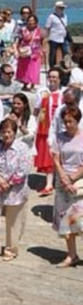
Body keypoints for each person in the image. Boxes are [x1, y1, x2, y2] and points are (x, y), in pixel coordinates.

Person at [0, 118, 30, 261]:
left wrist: (8, 183)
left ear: (14, 133)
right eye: (3, 132)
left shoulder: (22, 148)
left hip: (16, 190)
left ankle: (11, 249)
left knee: (13, 223)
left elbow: (23, 170)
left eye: (9, 132)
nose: (6, 135)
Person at [51, 105, 83, 267]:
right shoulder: (59, 137)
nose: (68, 124)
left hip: (79, 181)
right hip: (63, 181)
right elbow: (56, 158)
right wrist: (64, 178)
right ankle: (72, 255)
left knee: (81, 219)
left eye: (71, 121)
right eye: (66, 121)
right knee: (66, 219)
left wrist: (72, 178)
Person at [35, 69, 65, 196]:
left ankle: (60, 181)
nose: (52, 79)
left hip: (62, 128)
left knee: (62, 156)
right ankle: (48, 184)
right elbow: (37, 110)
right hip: (45, 128)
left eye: (55, 77)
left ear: (60, 79)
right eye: (50, 76)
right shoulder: (42, 91)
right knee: (48, 155)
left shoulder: (64, 92)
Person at [15, 14, 42, 89]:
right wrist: (18, 49)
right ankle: (25, 84)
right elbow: (19, 40)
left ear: (36, 22)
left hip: (35, 52)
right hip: (25, 51)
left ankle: (33, 85)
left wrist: (43, 50)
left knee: (34, 69)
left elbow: (42, 40)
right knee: (25, 69)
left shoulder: (39, 30)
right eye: (29, 21)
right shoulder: (23, 29)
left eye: (33, 21)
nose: (31, 23)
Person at [45, 1, 70, 71]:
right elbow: (47, 27)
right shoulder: (51, 17)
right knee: (53, 54)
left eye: (62, 8)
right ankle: (52, 68)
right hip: (54, 38)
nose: (62, 9)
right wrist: (46, 37)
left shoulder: (65, 16)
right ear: (56, 8)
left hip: (63, 38)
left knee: (65, 53)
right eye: (60, 8)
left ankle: (65, 67)